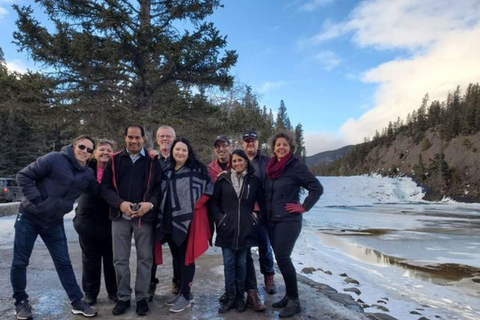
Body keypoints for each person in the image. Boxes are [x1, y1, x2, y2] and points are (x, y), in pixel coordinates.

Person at [12, 135, 99, 319]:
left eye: (89, 150)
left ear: (92, 155)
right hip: (29, 217)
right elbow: (23, 176)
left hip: (53, 222)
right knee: (20, 261)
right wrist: (38, 201)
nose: (84, 151)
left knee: (64, 263)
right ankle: (21, 302)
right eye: (82, 147)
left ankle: (77, 302)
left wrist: (122, 201)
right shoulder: (55, 159)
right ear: (74, 146)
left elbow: (99, 191)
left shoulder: (87, 174)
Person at [101, 125, 162, 316]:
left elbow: (159, 189)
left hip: (144, 218)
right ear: (125, 138)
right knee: (120, 259)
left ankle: (142, 297)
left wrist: (149, 205)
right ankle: (123, 297)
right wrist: (119, 204)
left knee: (145, 258)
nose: (133, 141)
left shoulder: (153, 161)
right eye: (130, 137)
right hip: (120, 216)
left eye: (137, 137)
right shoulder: (114, 160)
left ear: (143, 139)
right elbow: (105, 188)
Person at [264, 130, 323, 318]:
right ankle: (289, 296)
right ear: (273, 148)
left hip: (288, 221)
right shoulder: (272, 167)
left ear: (291, 148)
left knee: (283, 258)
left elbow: (317, 188)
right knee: (280, 259)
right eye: (278, 144)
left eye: (285, 145)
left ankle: (295, 301)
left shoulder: (296, 167)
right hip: (272, 220)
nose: (281, 147)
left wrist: (304, 207)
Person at [156, 138, 212, 313]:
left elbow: (209, 188)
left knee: (187, 257)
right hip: (168, 219)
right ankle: (182, 291)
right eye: (177, 149)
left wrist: (196, 205)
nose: (180, 153)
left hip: (187, 220)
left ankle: (187, 296)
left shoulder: (197, 170)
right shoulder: (167, 170)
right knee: (177, 257)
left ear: (189, 153)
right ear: (172, 151)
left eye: (184, 150)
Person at [209, 149, 265, 314]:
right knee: (228, 264)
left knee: (241, 263)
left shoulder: (254, 181)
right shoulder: (222, 180)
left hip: (246, 230)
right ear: (230, 163)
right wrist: (220, 219)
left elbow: (263, 203)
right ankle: (230, 296)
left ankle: (241, 296)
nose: (237, 164)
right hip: (227, 228)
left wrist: (255, 218)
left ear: (246, 162)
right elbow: (214, 204)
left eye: (240, 160)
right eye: (234, 161)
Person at [73, 139, 117, 306]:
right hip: (88, 221)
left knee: (111, 259)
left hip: (110, 220)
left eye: (109, 150)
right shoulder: (86, 167)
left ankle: (113, 292)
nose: (105, 153)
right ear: (95, 152)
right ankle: (90, 293)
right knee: (90, 260)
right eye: (102, 149)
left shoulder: (115, 170)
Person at [241, 130, 275, 311]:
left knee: (264, 245)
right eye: (247, 141)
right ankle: (248, 285)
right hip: (244, 212)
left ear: (257, 143)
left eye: (252, 141)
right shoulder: (238, 160)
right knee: (245, 248)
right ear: (243, 144)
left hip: (262, 210)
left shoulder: (266, 161)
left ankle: (269, 277)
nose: (250, 144)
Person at [149, 125, 177, 300]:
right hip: (154, 212)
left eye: (168, 136)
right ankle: (150, 284)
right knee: (151, 251)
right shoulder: (151, 159)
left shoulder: (180, 157)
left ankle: (178, 282)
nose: (165, 139)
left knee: (178, 250)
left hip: (175, 214)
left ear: (174, 139)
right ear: (157, 140)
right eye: (162, 136)